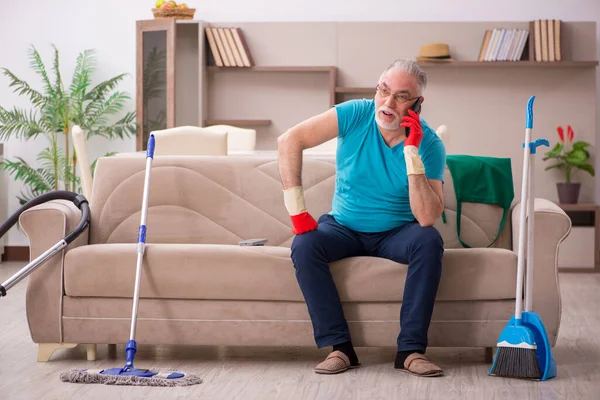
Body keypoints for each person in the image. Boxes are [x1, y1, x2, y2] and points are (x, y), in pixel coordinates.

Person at [276, 59, 446, 377]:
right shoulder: (356, 113)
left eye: (401, 96)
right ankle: (341, 349)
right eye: (383, 90)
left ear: (417, 104)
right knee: (305, 243)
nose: (387, 102)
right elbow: (289, 141)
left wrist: (412, 152)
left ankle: (411, 351)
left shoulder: (431, 144)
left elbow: (426, 217)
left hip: (398, 232)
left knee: (429, 240)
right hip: (344, 227)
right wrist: (297, 209)